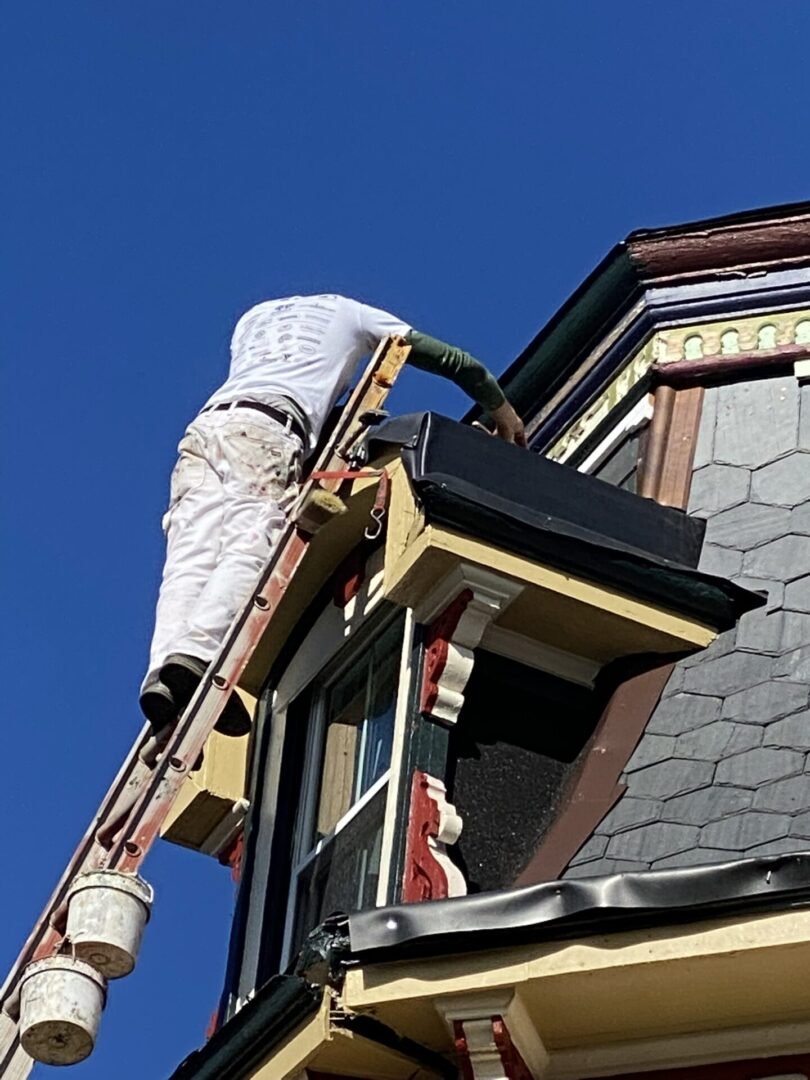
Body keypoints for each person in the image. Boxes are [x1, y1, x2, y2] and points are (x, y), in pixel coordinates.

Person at [139, 294, 525, 739]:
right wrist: (504, 415)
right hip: (270, 431)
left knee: (191, 555)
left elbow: (302, 386)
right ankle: (197, 661)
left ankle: (166, 680)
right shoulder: (349, 312)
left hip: (207, 431)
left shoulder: (253, 319)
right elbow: (454, 361)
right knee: (256, 539)